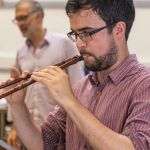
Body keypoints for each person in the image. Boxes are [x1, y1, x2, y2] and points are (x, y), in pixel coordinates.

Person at [5, 0, 150, 149]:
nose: (79, 44)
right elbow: (42, 143)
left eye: (87, 33)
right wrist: (17, 105)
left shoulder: (145, 85)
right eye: (76, 34)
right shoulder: (81, 87)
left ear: (118, 30)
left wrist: (70, 101)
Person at [6, 0, 84, 149]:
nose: (20, 23)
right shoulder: (21, 52)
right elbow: (16, 89)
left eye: (23, 18)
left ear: (39, 16)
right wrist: (16, 127)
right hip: (29, 131)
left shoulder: (64, 44)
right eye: (17, 20)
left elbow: (78, 88)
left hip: (58, 134)